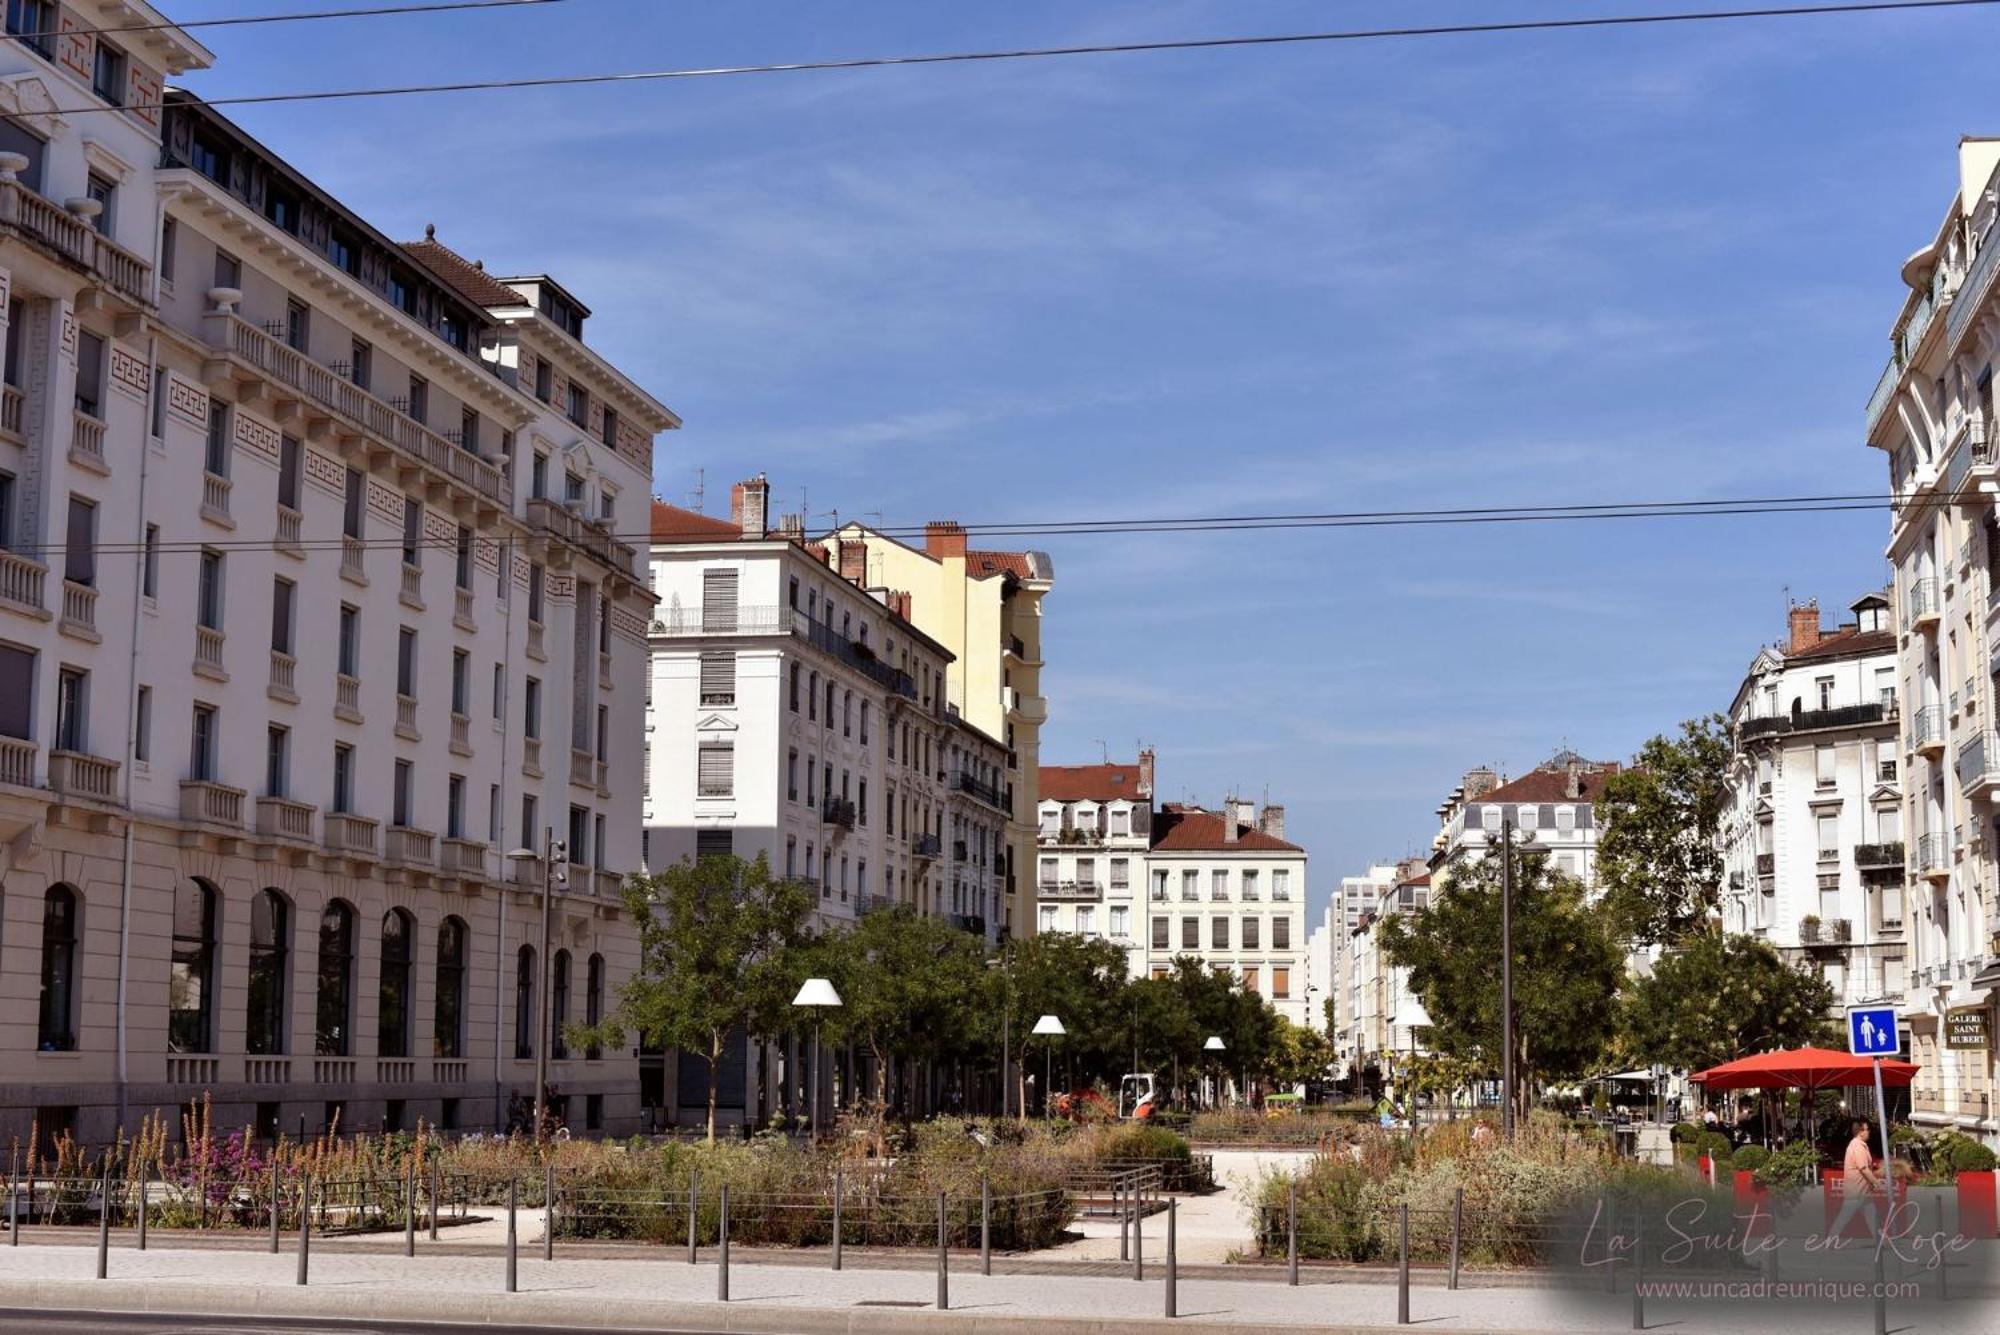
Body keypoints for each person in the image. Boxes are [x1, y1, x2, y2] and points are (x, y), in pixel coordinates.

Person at [1825, 1119, 1884, 1240]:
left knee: (1871, 1217)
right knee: (1844, 1218)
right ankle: (1830, 1241)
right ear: (1860, 1132)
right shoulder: (1858, 1146)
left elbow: (1865, 1168)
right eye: (1867, 1129)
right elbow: (1863, 1168)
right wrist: (1876, 1182)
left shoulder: (1859, 1145)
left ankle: (1881, 1242)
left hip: (1861, 1191)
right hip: (1856, 1192)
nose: (1869, 1132)